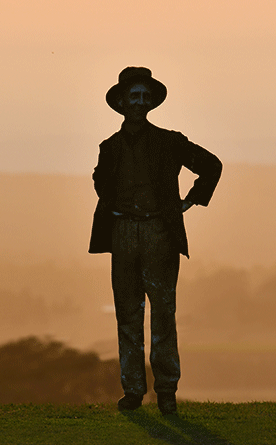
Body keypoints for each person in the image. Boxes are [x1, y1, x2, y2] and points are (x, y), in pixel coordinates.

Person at [88, 67, 222, 414]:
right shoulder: (110, 148)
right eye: (134, 96)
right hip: (122, 235)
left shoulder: (170, 142)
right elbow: (102, 186)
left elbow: (211, 165)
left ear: (151, 102)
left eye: (145, 96)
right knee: (127, 315)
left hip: (158, 234)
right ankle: (133, 391)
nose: (140, 101)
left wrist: (190, 201)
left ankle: (166, 392)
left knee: (163, 314)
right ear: (121, 103)